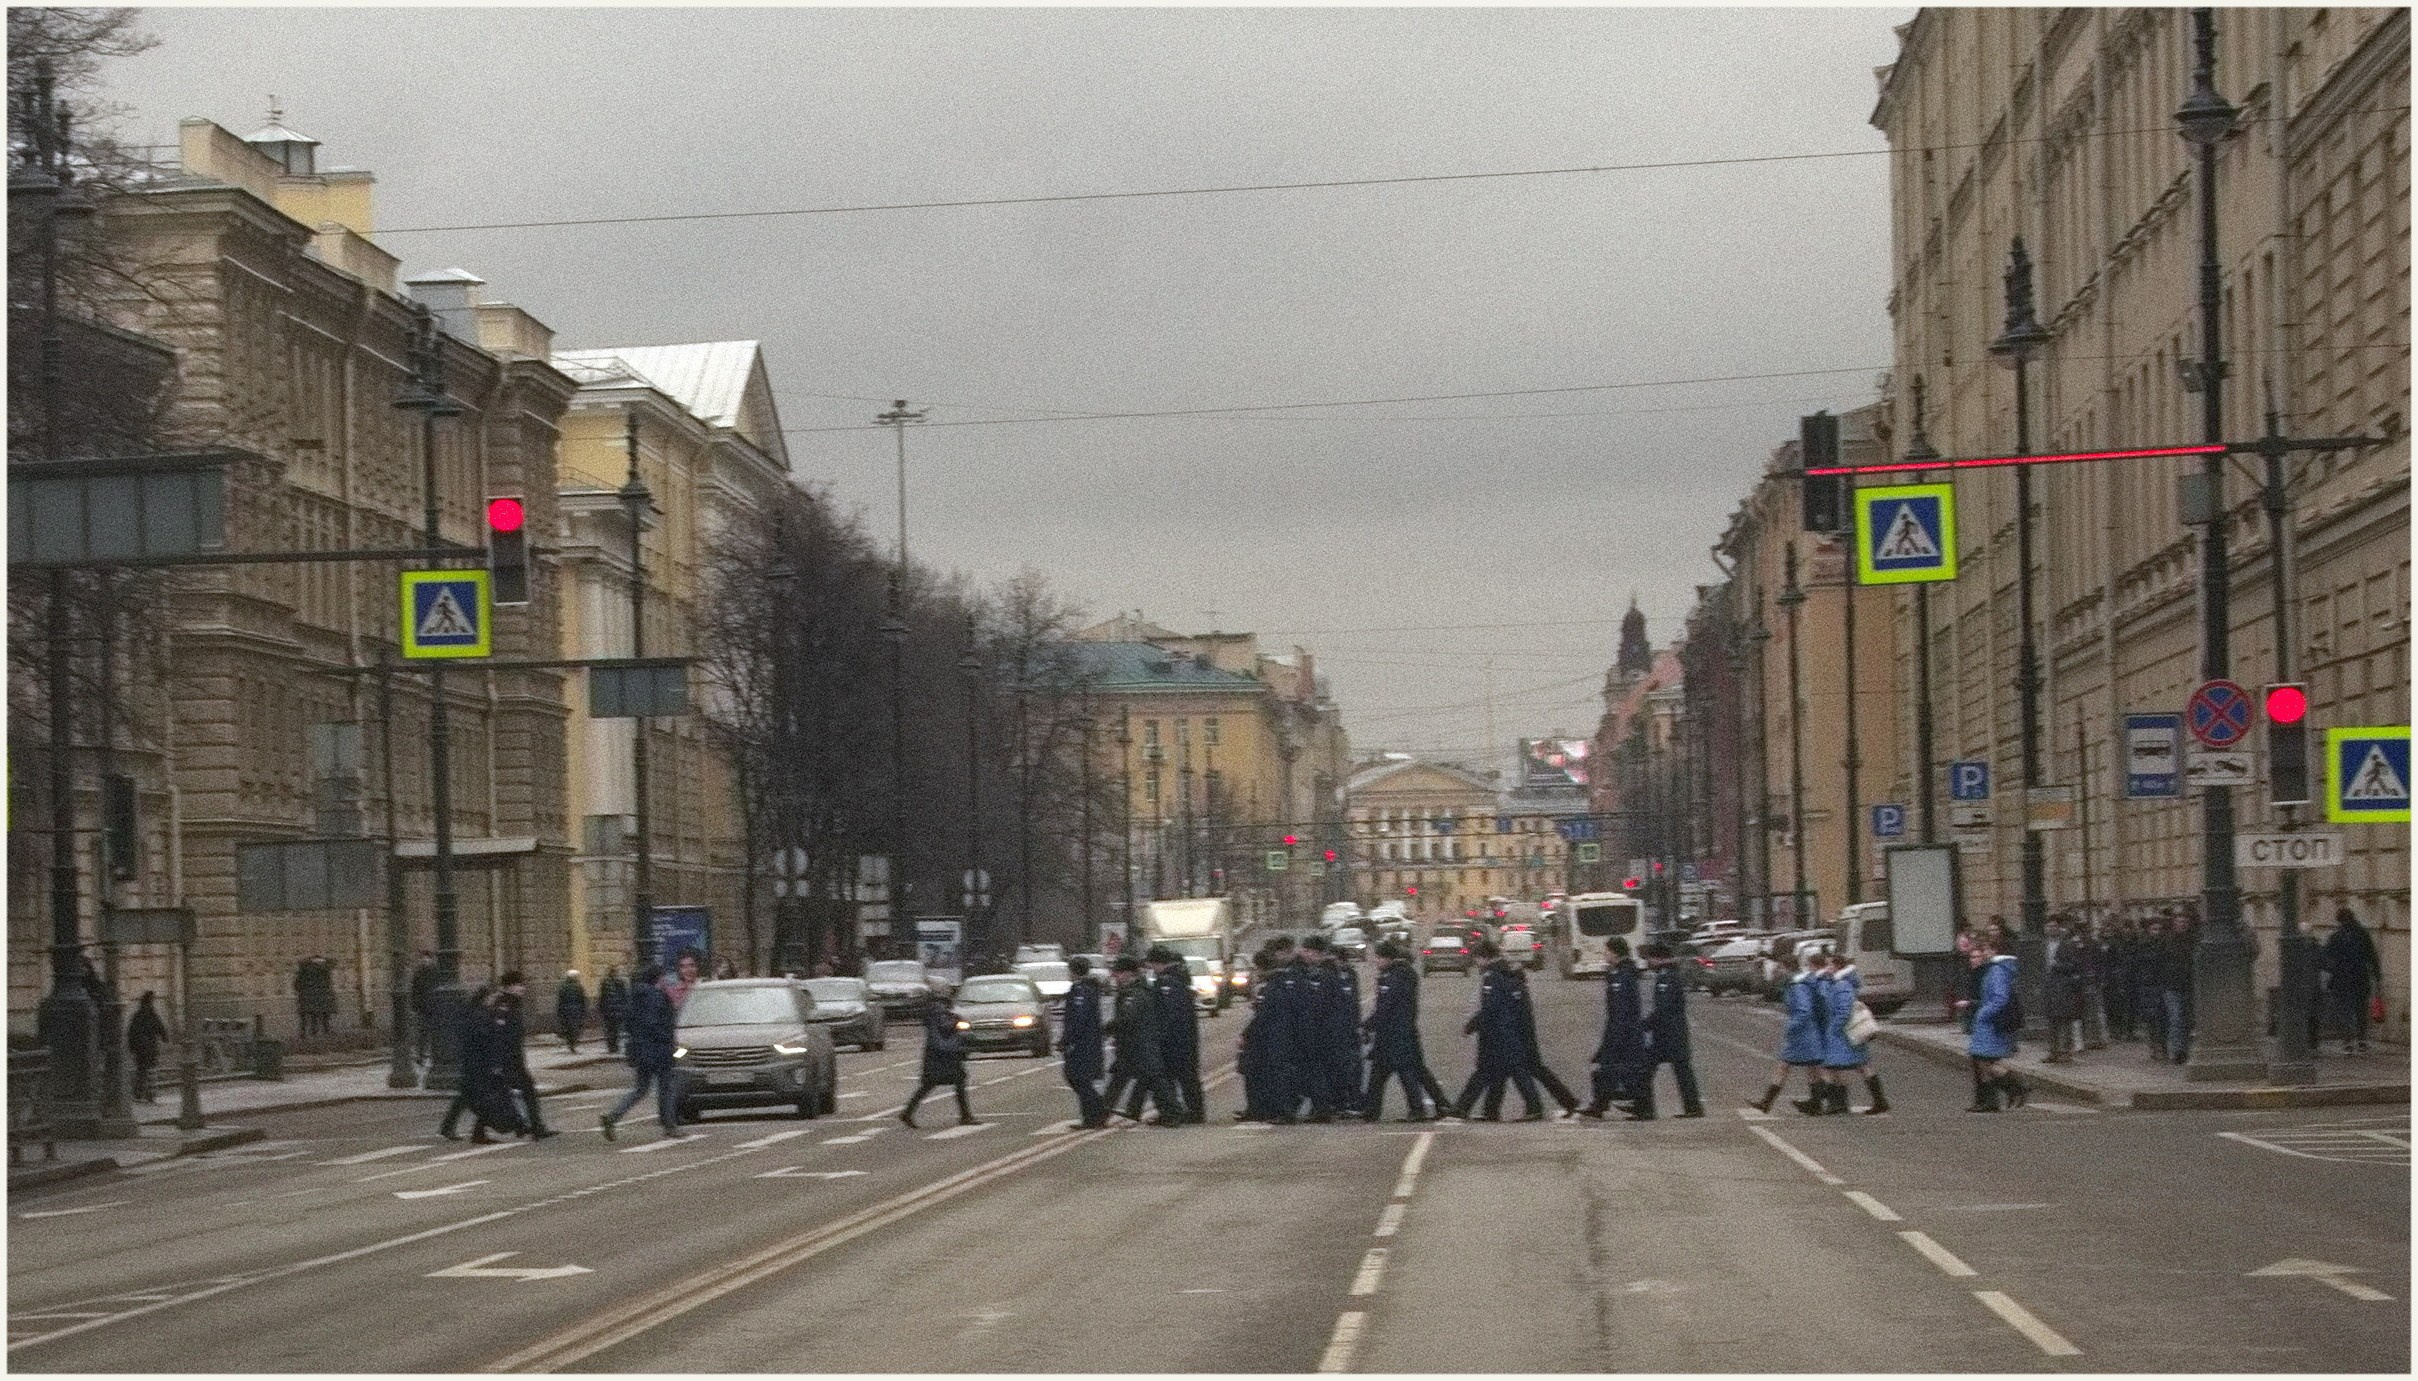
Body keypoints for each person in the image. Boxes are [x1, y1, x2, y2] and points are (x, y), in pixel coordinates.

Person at [1451, 942, 1544, 1120]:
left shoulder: (1492, 977)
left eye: (1477, 958)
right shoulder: (1504, 972)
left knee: (1503, 1070)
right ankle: (1489, 1110)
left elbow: (1490, 1007)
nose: (1476, 962)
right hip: (1506, 1030)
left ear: (1484, 958)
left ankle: (1464, 1108)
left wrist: (1472, 1025)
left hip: (1498, 1032)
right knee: (1498, 1072)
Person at [601, 963, 682, 1140]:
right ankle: (670, 1126)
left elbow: (628, 1023)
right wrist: (668, 1041)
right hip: (660, 1050)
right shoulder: (656, 996)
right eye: (663, 977)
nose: (665, 980)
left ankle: (613, 1117)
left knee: (640, 1089)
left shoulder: (634, 996)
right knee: (666, 1088)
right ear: (657, 979)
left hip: (641, 1050)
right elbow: (654, 1023)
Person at [1360, 942, 1439, 1121]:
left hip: (1395, 1033)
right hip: (1394, 1032)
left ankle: (1416, 1110)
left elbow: (1386, 1007)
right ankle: (1372, 1110)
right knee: (1381, 1074)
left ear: (1387, 958)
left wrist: (1367, 1025)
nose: (1376, 961)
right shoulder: (1400, 974)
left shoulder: (1394, 977)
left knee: (1404, 1073)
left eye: (1378, 957)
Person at [1629, 941, 1705, 1119]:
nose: (1648, 963)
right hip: (1672, 1033)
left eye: (1649, 959)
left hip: (1668, 1035)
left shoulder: (1666, 977)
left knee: (1647, 1069)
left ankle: (1645, 1109)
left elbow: (1664, 1009)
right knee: (1680, 1071)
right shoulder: (1670, 974)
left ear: (1657, 959)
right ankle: (1691, 1108)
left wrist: (1644, 1025)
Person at [1103, 955, 1182, 1125]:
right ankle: (1107, 1112)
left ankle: (1173, 1112)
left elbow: (1128, 1018)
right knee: (1127, 1078)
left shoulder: (1136, 993)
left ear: (1128, 974)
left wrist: (1108, 1028)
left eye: (1117, 973)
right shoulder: (1138, 990)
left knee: (1153, 1079)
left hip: (1139, 1044)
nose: (1115, 977)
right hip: (1134, 1044)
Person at [1749, 945, 1826, 1116]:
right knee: (1811, 1068)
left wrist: (1791, 1027)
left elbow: (1804, 1010)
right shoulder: (1797, 982)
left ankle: (1767, 1102)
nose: (1777, 970)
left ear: (1787, 968)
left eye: (1780, 967)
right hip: (1807, 1032)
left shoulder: (1796, 985)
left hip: (1802, 1033)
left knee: (1785, 1066)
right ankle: (1816, 1103)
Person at [1960, 931, 2027, 1111]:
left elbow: (1999, 998)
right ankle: (1995, 1098)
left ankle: (2017, 1087)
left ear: (1995, 950)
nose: (1985, 952)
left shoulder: (1997, 970)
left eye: (1988, 949)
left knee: (1985, 1060)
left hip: (1989, 1021)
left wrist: (1983, 1013)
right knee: (1981, 1059)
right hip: (1987, 1020)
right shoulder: (1997, 968)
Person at [1817, 950, 1886, 1115]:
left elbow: (1843, 1010)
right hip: (1846, 1032)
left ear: (1837, 966)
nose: (1827, 968)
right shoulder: (1839, 982)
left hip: (1845, 1032)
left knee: (1837, 1066)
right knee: (1857, 1066)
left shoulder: (1842, 985)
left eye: (1829, 965)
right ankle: (1877, 1101)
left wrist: (1834, 1028)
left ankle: (1826, 1101)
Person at [491, 972, 556, 1139]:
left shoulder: (512, 1003)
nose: (522, 988)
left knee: (508, 1094)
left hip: (513, 1058)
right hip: (509, 1059)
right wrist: (499, 1060)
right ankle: (536, 1128)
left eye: (522, 984)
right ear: (509, 986)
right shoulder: (504, 1006)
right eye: (518, 985)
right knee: (527, 1091)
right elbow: (500, 1035)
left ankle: (524, 1125)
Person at [1146, 946, 1206, 1124]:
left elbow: (1168, 1013)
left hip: (1174, 1039)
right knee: (1187, 1076)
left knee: (1173, 1076)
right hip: (1185, 1037)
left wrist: (1160, 1036)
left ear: (1157, 963)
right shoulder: (1180, 977)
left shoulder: (1166, 982)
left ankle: (1174, 1111)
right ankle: (1192, 1111)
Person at [900, 992, 977, 1129]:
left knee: (930, 1084)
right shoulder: (941, 1013)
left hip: (936, 1054)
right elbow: (945, 1028)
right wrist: (957, 1022)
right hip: (944, 1054)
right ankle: (965, 1116)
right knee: (955, 1081)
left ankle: (908, 1112)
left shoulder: (933, 1013)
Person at [2323, 906, 2384, 1054]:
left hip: (2342, 979)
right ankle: (2362, 1041)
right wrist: (2377, 975)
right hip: (2360, 978)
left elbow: (2325, 957)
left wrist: (2331, 969)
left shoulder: (2336, 937)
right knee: (2361, 1010)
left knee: (2345, 1011)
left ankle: (2348, 1042)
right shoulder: (2363, 934)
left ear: (2340, 920)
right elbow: (2372, 956)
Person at [1059, 955, 1108, 1127]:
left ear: (1073, 971)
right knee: (1080, 1079)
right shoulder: (1087, 988)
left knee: (1078, 1078)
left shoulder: (1081, 990)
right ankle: (1094, 1114)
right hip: (1087, 1041)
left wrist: (1067, 1039)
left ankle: (1096, 1113)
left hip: (1082, 1043)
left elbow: (1078, 1019)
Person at [127, 991, 169, 1103]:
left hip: (140, 1048)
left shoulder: (137, 1015)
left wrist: (131, 1047)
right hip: (150, 1047)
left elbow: (131, 1032)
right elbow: (160, 1028)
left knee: (141, 1070)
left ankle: (138, 1093)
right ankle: (151, 1094)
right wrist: (165, 1038)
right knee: (151, 1070)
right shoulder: (152, 1014)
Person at [409, 952, 440, 1064]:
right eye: (423, 958)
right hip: (422, 1008)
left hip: (434, 1007)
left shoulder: (436, 972)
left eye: (427, 958)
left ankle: (436, 1056)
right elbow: (415, 991)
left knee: (435, 1033)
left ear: (431, 959)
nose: (425, 960)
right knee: (422, 1032)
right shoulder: (418, 973)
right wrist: (415, 1006)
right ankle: (421, 1056)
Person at [597, 965, 630, 1056]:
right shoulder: (620, 982)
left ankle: (611, 1046)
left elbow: (602, 997)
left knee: (609, 1029)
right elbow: (624, 996)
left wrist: (600, 1008)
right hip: (617, 1010)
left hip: (608, 1010)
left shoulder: (604, 982)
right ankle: (615, 1046)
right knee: (616, 1029)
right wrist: (624, 1007)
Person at [554, 969, 589, 1053]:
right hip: (577, 1011)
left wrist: (559, 1010)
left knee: (568, 1028)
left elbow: (560, 999)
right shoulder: (579, 986)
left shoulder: (563, 986)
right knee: (575, 1028)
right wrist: (584, 1010)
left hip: (566, 1010)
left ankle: (570, 1043)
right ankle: (572, 1044)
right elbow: (583, 999)